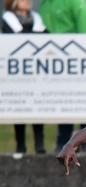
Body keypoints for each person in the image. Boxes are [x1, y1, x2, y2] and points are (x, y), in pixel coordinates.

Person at [39, 0, 86, 152]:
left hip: (76, 58)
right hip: (54, 61)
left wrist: (83, 53)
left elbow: (84, 28)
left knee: (82, 99)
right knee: (63, 100)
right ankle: (63, 140)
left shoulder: (75, 1)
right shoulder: (44, 4)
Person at [2, 0, 47, 158]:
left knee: (37, 106)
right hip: (18, 72)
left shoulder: (37, 19)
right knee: (20, 107)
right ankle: (20, 144)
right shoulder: (8, 19)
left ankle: (39, 143)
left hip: (36, 71)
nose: (28, 2)